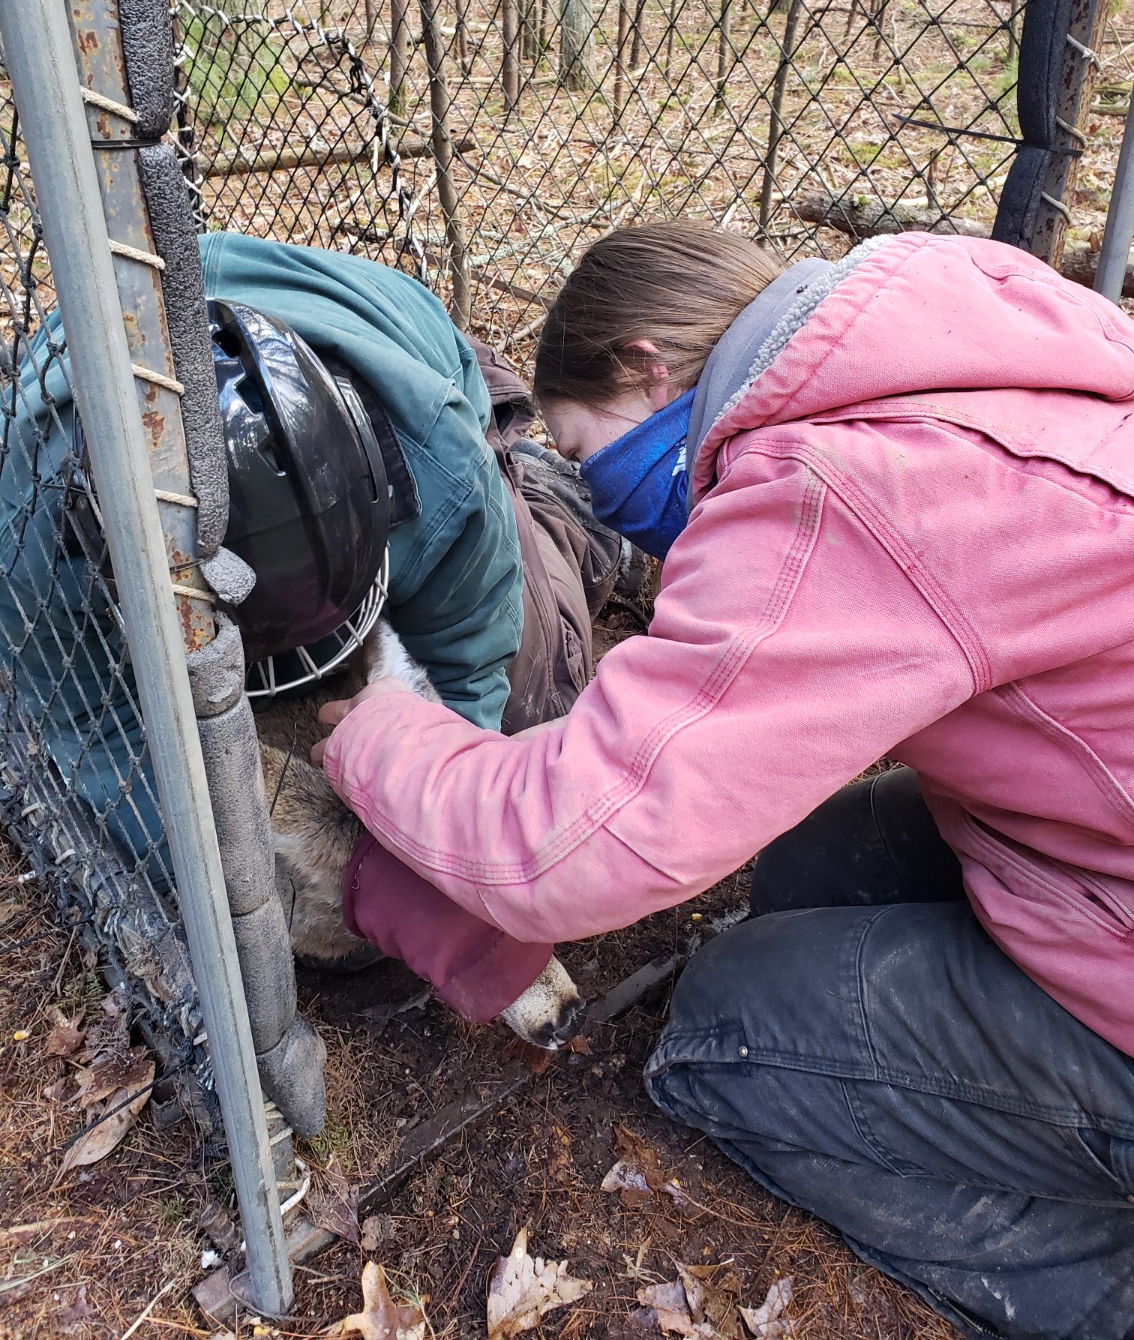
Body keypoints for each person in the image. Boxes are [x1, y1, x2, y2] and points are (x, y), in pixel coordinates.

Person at [310, 223, 1134, 1340]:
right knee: (804, 865)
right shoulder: (950, 317)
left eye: (593, 457)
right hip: (1095, 832)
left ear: (652, 370)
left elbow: (576, 842)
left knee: (719, 1036)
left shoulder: (837, 486)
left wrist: (378, 737)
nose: (608, 504)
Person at [0, 231, 638, 1026]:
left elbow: (476, 662)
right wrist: (235, 862)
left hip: (405, 351)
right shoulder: (32, 538)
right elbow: (91, 739)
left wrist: (439, 819)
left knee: (539, 696)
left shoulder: (432, 459)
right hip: (134, 394)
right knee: (305, 920)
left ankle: (553, 495)